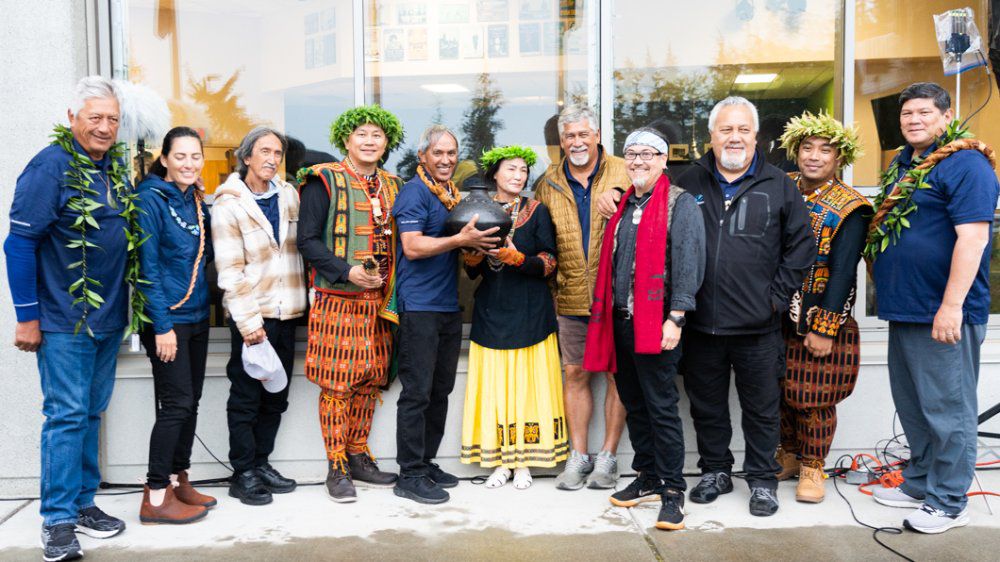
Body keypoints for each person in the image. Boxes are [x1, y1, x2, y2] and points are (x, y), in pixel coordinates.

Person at [598, 96, 814, 516]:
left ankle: (761, 480)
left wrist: (775, 299)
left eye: (743, 130)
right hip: (699, 324)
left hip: (758, 324)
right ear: (711, 137)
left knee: (761, 408)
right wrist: (615, 191)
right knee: (707, 406)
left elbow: (801, 248)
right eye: (725, 130)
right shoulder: (689, 181)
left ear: (756, 136)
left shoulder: (779, 184)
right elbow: (646, 189)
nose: (734, 137)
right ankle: (716, 471)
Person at [4, 75, 131, 561]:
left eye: (112, 119)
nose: (104, 127)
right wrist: (27, 317)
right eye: (95, 117)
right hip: (63, 319)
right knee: (66, 416)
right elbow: (19, 244)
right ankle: (56, 521)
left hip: (107, 319)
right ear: (72, 118)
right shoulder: (50, 166)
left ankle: (82, 504)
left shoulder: (110, 168)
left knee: (90, 413)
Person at [868, 82, 999, 534]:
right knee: (914, 406)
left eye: (924, 112)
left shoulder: (966, 164)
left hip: (943, 313)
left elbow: (974, 237)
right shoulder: (905, 164)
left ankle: (949, 500)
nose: (914, 120)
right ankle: (922, 480)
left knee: (948, 409)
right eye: (907, 114)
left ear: (946, 116)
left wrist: (951, 307)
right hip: (905, 309)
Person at [585, 128, 705, 530]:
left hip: (658, 324)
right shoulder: (623, 204)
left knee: (661, 407)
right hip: (621, 322)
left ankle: (673, 491)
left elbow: (690, 265)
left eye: (647, 154)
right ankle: (648, 475)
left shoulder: (679, 203)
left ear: (663, 159)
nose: (638, 161)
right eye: (631, 154)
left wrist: (677, 317)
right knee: (634, 403)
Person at [297, 105, 405, 502]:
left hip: (380, 302)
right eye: (361, 133)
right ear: (346, 139)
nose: (369, 141)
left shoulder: (395, 185)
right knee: (337, 385)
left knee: (370, 381)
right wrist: (346, 271)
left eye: (377, 135)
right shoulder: (323, 180)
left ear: (386, 142)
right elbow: (306, 241)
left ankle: (359, 455)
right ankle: (337, 464)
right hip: (338, 300)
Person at [393, 125, 500, 504]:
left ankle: (426, 462)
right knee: (417, 393)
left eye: (451, 153)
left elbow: (464, 240)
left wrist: (477, 248)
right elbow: (412, 246)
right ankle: (409, 474)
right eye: (438, 153)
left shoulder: (453, 196)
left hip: (447, 306)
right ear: (422, 156)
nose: (446, 160)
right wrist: (460, 241)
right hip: (419, 307)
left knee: (440, 391)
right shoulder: (414, 193)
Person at [774, 111, 871, 503]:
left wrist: (825, 327)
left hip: (818, 319)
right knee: (780, 392)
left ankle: (814, 468)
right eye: (807, 147)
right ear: (795, 151)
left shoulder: (852, 206)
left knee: (814, 397)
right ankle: (791, 456)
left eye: (824, 150)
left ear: (839, 158)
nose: (814, 156)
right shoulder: (782, 187)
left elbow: (845, 271)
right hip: (776, 312)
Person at [534, 104, 629, 491]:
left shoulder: (625, 171)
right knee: (575, 373)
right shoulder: (547, 182)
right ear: (561, 142)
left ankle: (607, 457)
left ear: (598, 136)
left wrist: (621, 194)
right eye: (569, 136)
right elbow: (544, 244)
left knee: (617, 376)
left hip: (617, 296)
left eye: (583, 134)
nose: (577, 141)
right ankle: (579, 456)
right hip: (571, 295)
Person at [459, 146, 566, 490]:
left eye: (523, 170)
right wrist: (473, 260)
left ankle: (524, 463)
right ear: (494, 175)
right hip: (492, 311)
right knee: (496, 388)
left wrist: (517, 258)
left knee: (526, 390)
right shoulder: (477, 211)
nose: (518, 176)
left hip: (531, 313)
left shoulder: (537, 211)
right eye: (511, 170)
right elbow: (470, 271)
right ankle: (501, 461)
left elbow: (550, 262)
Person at [211, 126, 307, 506]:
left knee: (277, 395)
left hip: (289, 313)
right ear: (246, 156)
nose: (271, 159)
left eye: (278, 153)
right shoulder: (229, 204)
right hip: (255, 317)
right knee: (246, 396)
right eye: (264, 151)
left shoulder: (288, 196)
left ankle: (262, 462)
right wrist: (249, 325)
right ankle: (243, 472)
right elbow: (230, 271)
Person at [135, 126, 216, 523]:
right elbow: (146, 267)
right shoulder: (149, 200)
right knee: (176, 405)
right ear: (164, 159)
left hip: (199, 317)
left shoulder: (196, 201)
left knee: (190, 403)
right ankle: (154, 495)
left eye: (195, 156)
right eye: (180, 156)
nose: (189, 163)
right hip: (169, 321)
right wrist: (162, 325)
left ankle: (178, 479)